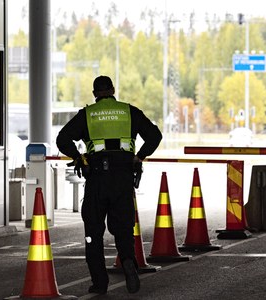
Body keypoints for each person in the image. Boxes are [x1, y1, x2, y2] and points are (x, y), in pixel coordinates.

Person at [56, 75, 162, 295]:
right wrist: (139, 156)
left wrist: (78, 157)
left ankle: (99, 283)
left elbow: (62, 139)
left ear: (94, 93)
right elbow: (154, 136)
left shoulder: (87, 114)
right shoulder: (129, 111)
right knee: (123, 227)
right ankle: (128, 261)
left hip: (96, 179)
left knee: (93, 232)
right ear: (113, 90)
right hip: (123, 179)